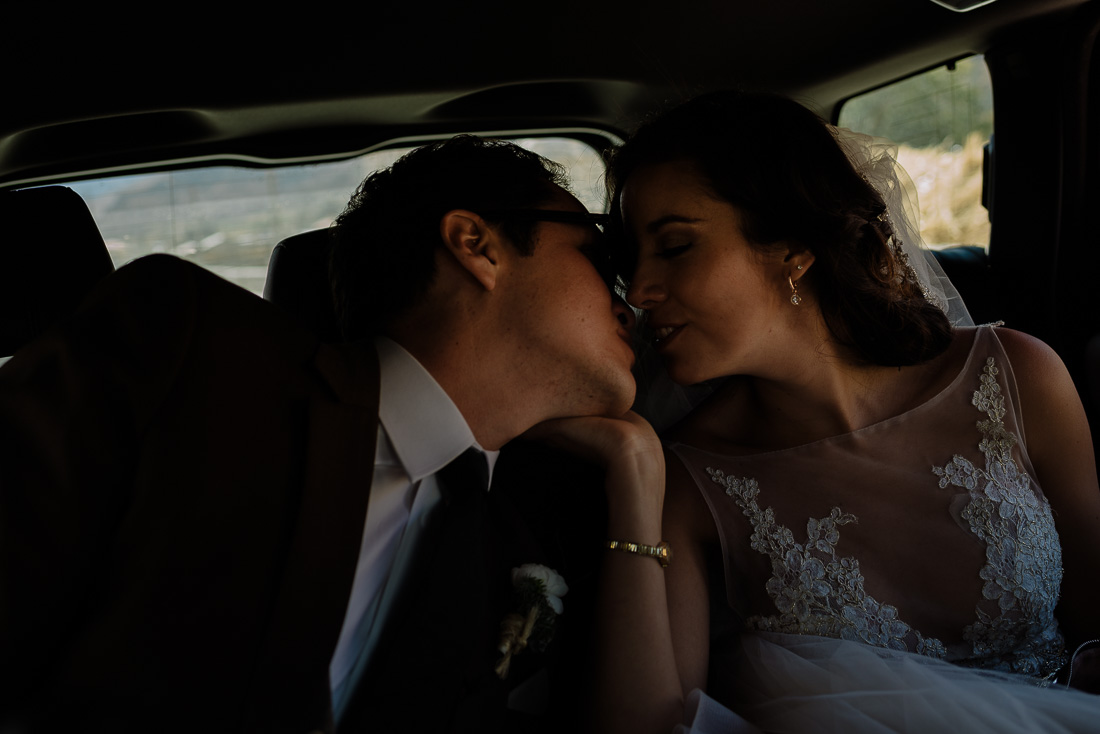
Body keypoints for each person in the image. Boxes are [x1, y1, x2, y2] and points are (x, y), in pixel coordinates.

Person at [0, 136, 636, 733]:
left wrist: (639, 468)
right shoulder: (186, 353)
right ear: (478, 245)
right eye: (599, 255)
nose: (631, 295)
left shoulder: (523, 540)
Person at [536, 90, 1100, 733]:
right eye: (632, 260)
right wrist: (635, 467)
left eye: (675, 246)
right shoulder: (690, 483)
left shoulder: (1015, 376)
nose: (638, 290)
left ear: (793, 247)